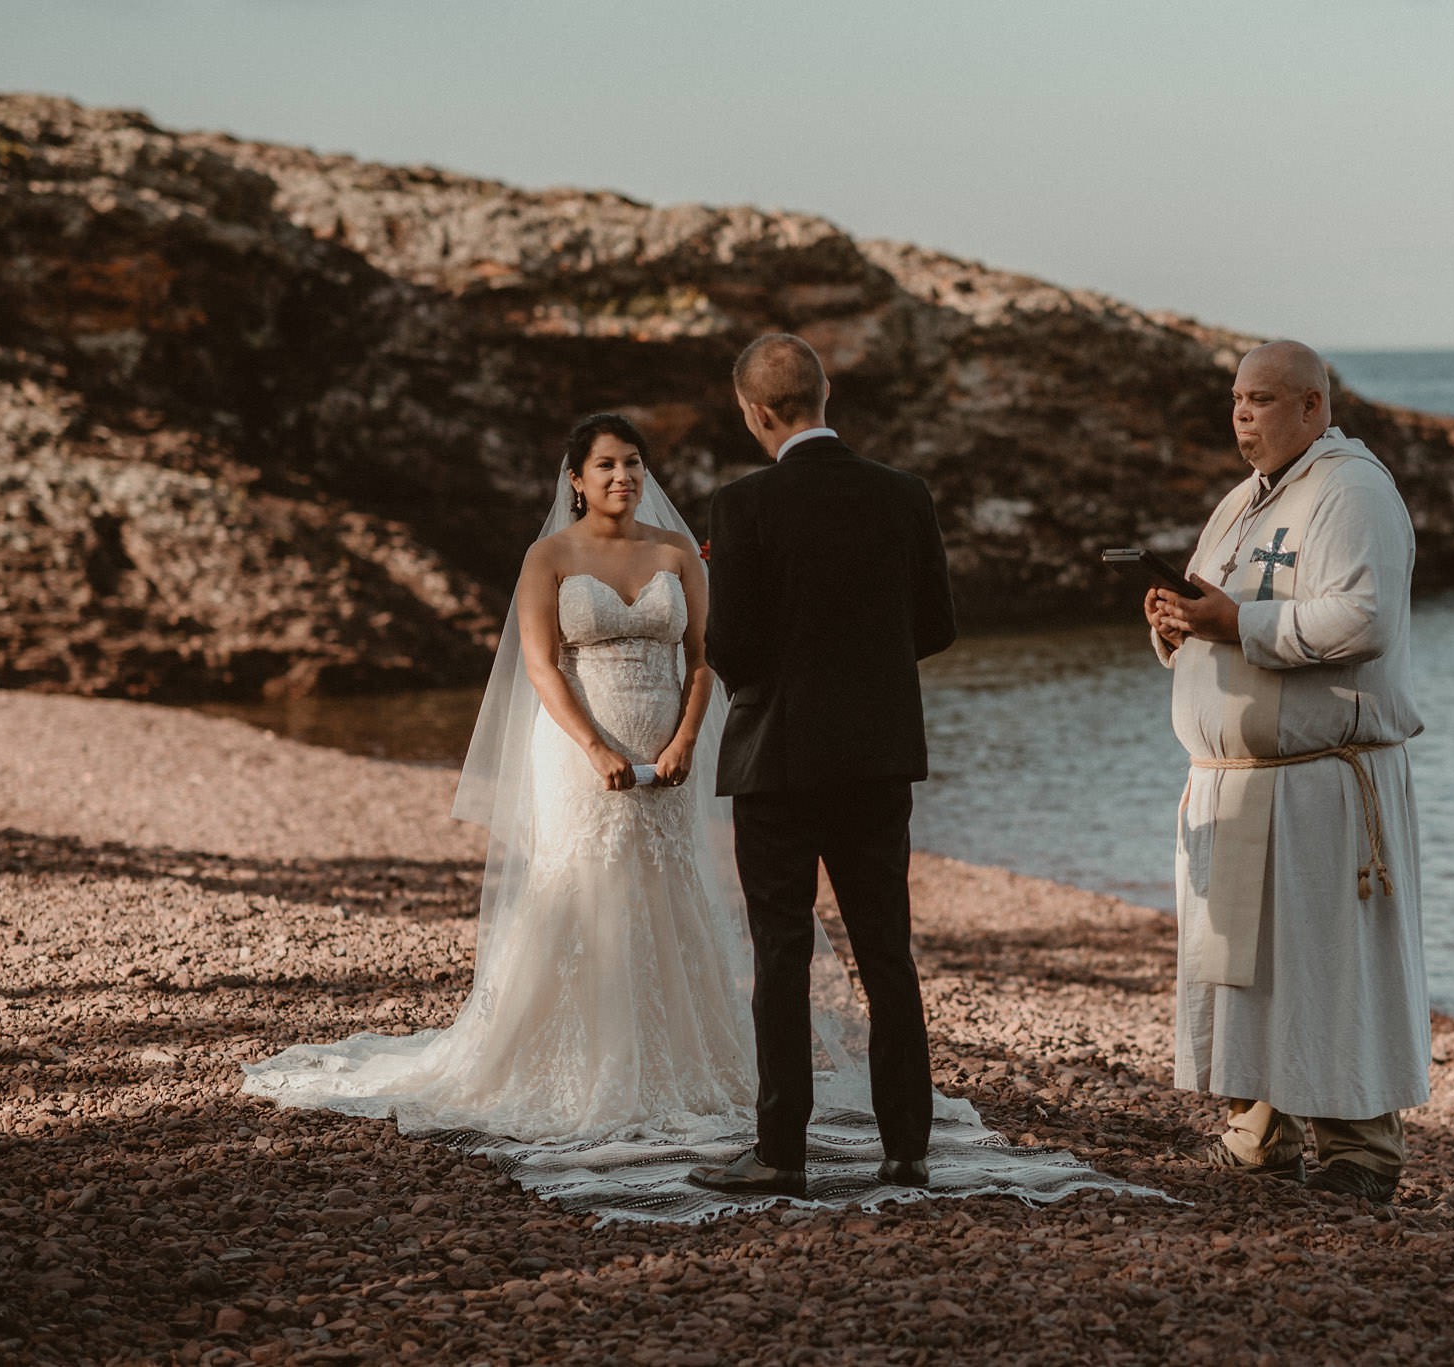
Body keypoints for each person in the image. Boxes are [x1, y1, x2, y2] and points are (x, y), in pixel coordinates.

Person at [245, 407, 1139, 1222]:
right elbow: (542, 665)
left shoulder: (681, 551)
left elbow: (717, 653)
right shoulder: (549, 560)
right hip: (585, 752)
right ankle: (603, 1072)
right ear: (574, 479)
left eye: (634, 462)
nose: (625, 477)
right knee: (595, 896)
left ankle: (740, 1106)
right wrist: (598, 748)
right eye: (606, 465)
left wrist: (683, 739)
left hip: (673, 751)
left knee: (691, 910)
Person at [1147, 340, 1429, 1203]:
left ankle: (1361, 1147)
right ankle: (1259, 1129)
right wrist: (1176, 624)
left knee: (1325, 963)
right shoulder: (1242, 502)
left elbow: (1364, 617)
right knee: (1250, 965)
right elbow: (1219, 609)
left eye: (1262, 400)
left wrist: (1239, 625)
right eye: (1235, 399)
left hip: (1317, 783)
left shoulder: (1352, 490)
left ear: (1313, 406)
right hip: (1237, 779)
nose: (1242, 416)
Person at [688, 334, 957, 1198]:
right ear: (826, 393)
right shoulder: (902, 495)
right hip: (876, 760)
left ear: (758, 413)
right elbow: (938, 626)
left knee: (781, 954)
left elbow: (729, 646)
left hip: (776, 763)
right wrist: (866, 672)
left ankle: (782, 1153)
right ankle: (908, 1148)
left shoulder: (741, 506)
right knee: (888, 954)